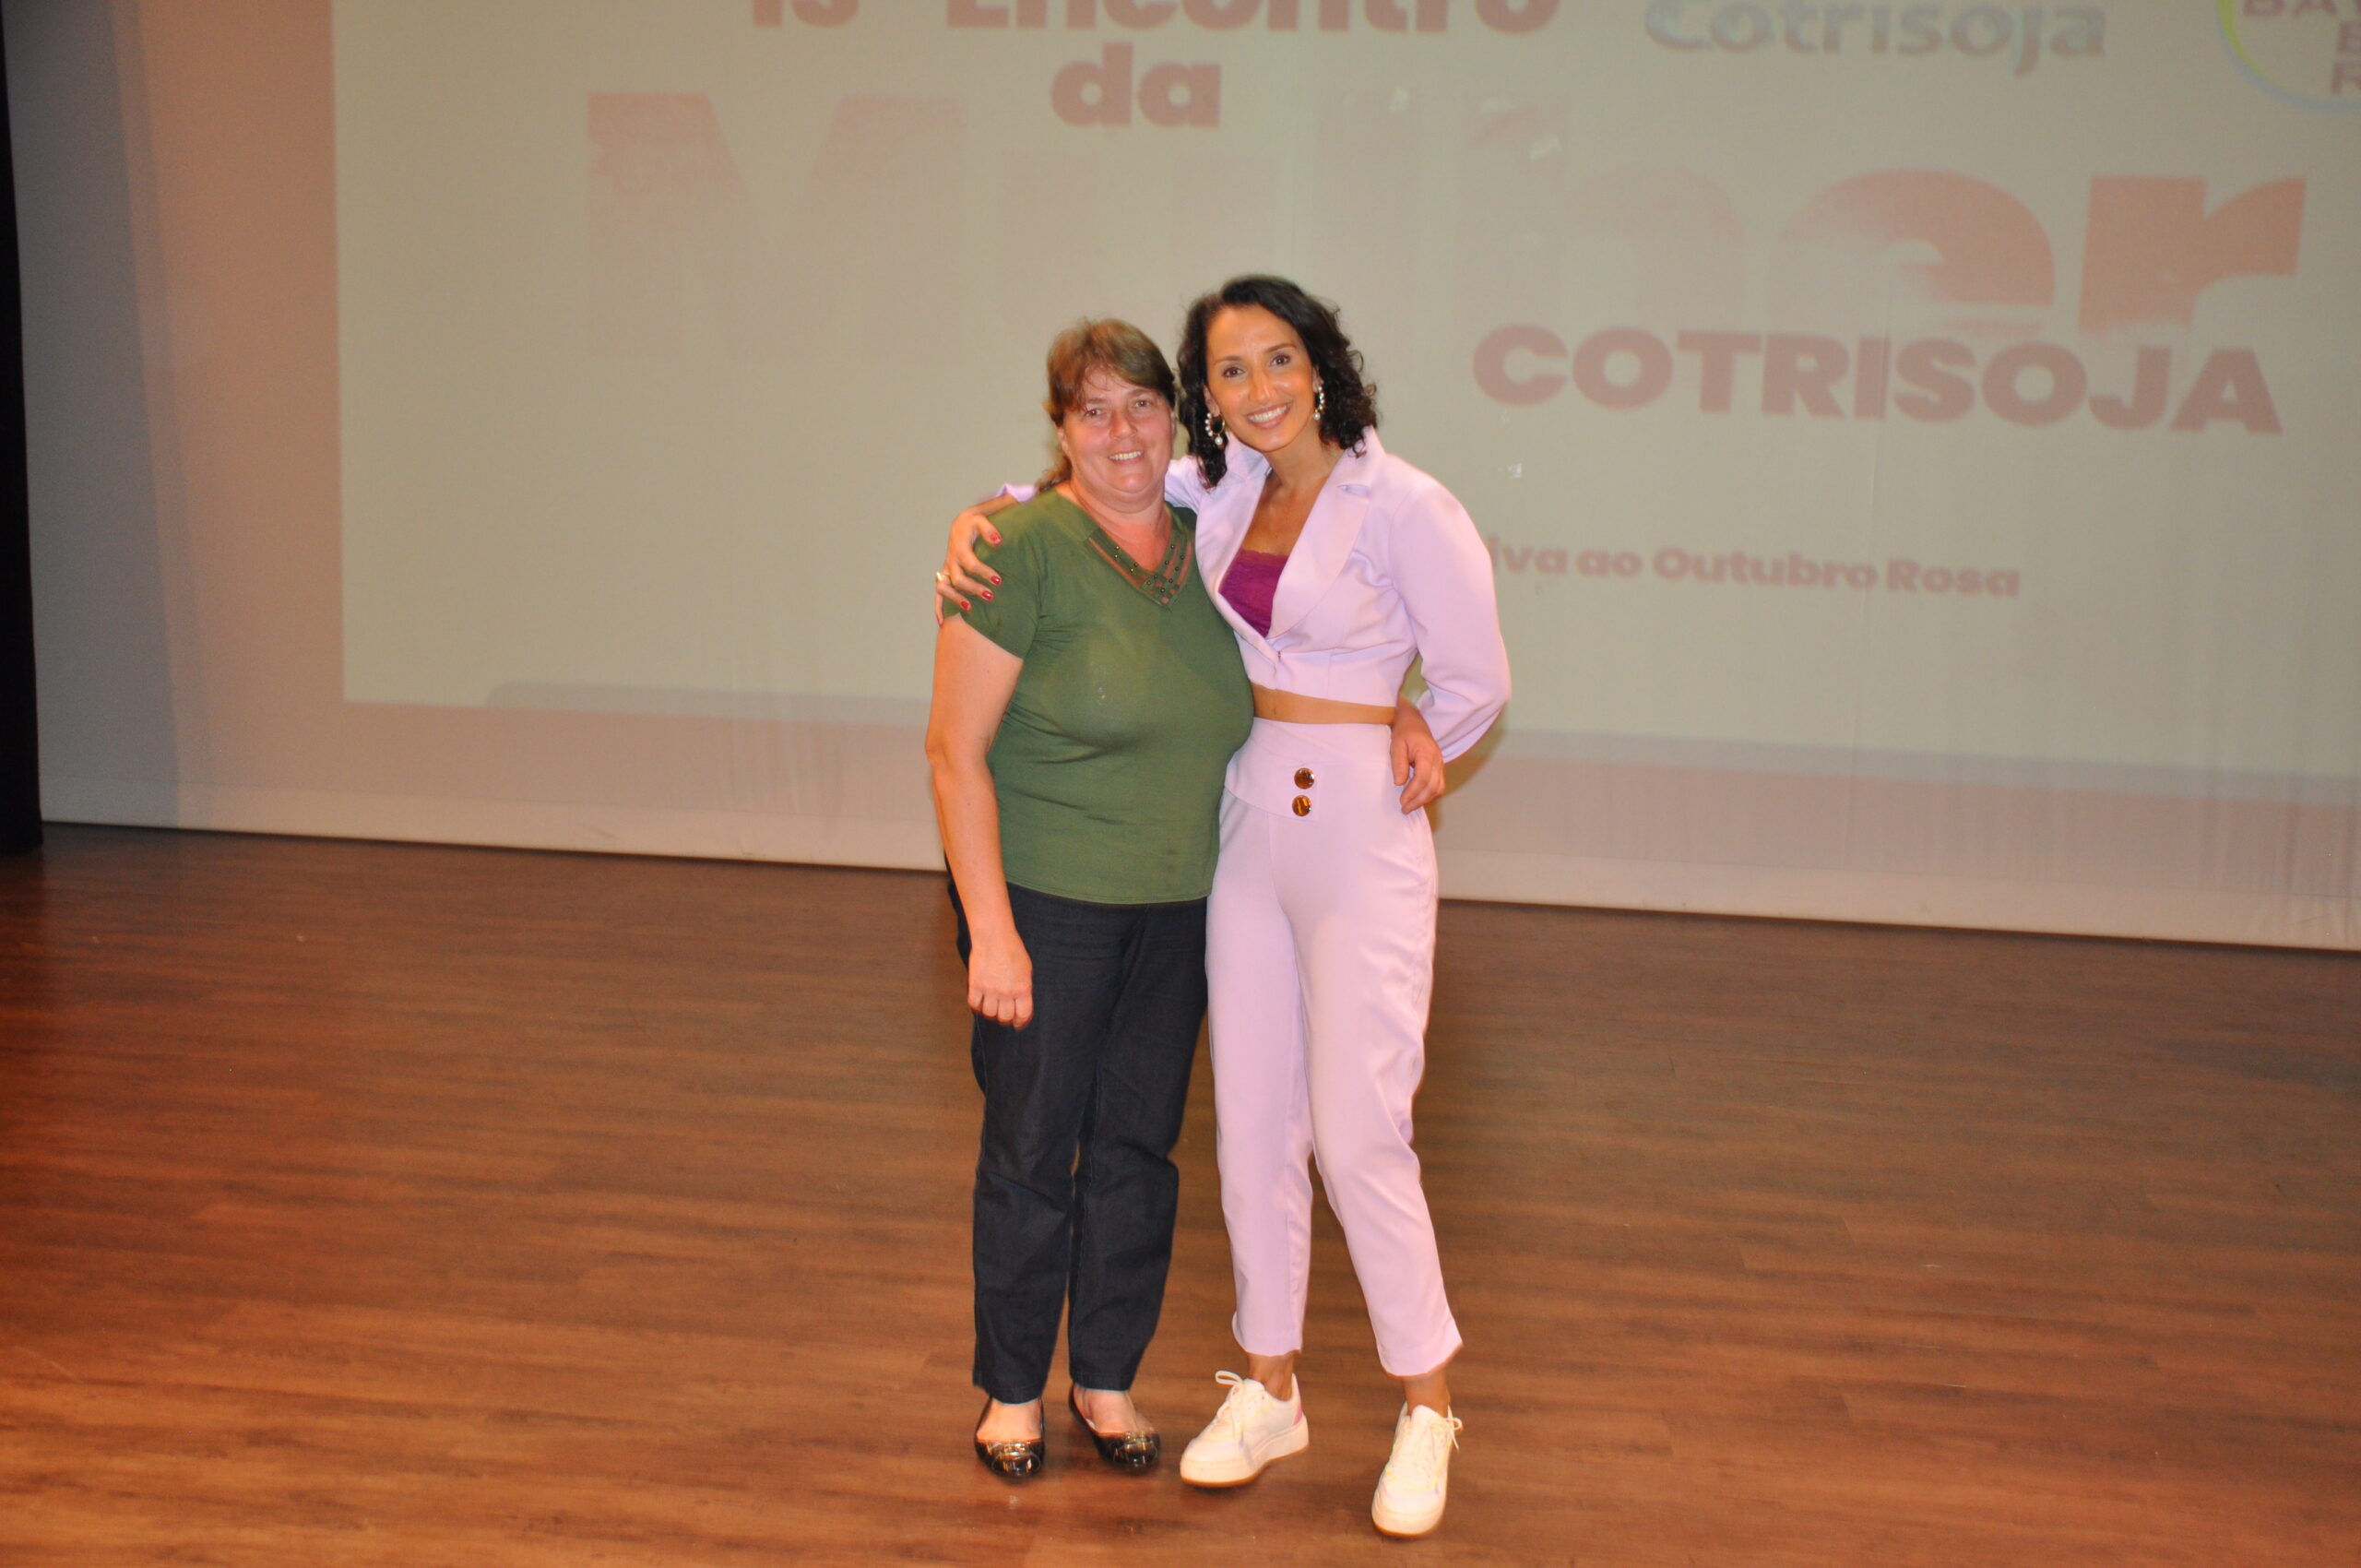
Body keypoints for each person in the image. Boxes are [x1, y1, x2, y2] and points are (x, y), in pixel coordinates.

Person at [938, 277, 1510, 1536]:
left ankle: (1427, 1402)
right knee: (1251, 1123)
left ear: (1321, 364)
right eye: (1231, 370)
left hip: (1358, 821)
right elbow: (1092, 484)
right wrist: (987, 513)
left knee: (1358, 1132)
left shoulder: (1405, 504)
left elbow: (1479, 674)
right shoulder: (1225, 485)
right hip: (1249, 820)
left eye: (1277, 359)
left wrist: (1425, 724)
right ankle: (1269, 1386)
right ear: (1212, 395)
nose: (1257, 389)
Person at [925, 320, 1255, 1479]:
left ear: (1174, 420)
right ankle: (1012, 1390)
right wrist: (993, 934)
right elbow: (953, 755)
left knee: (1137, 1150)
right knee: (1032, 1147)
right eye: (1093, 409)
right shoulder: (1017, 550)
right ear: (1061, 429)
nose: (1122, 431)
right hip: (1045, 908)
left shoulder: (1214, 543)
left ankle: (1105, 1377)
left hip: (1181, 909)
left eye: (1142, 405)